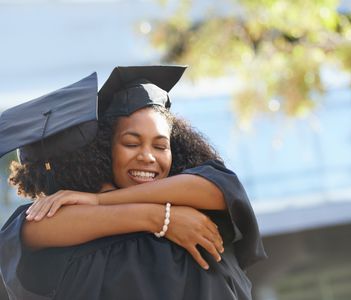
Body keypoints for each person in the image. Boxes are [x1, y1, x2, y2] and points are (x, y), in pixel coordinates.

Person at [0, 67, 266, 300]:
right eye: (131, 143)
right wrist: (161, 218)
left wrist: (102, 199)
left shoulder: (201, 204)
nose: (148, 157)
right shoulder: (61, 225)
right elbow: (34, 228)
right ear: (104, 150)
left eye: (161, 145)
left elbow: (218, 189)